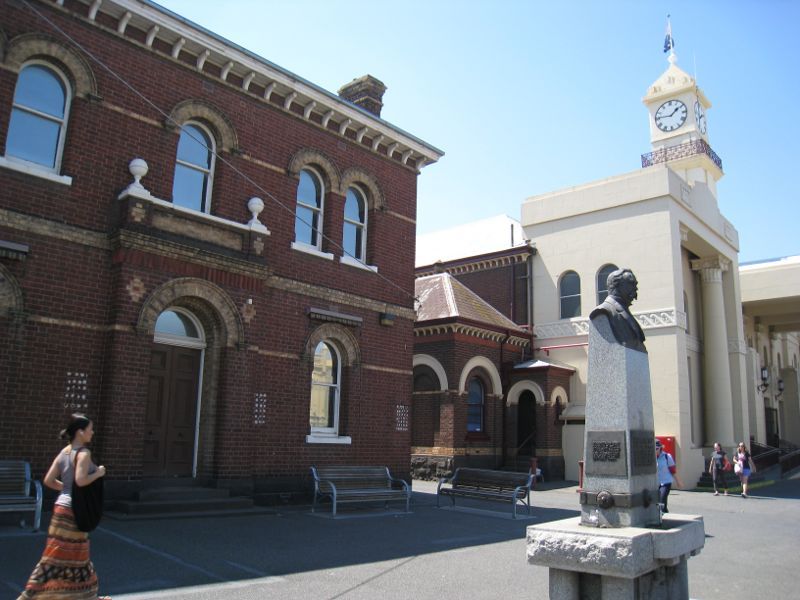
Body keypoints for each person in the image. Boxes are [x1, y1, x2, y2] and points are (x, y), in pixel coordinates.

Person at [18, 413, 110, 600]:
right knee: (75, 555)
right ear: (80, 432)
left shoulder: (64, 452)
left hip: (60, 509)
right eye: (90, 429)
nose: (92, 432)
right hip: (73, 513)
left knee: (56, 556)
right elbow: (81, 480)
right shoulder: (84, 453)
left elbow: (49, 480)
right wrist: (99, 473)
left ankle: (43, 594)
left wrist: (68, 489)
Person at [589, 268, 647, 353]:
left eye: (635, 284)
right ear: (616, 285)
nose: (636, 288)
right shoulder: (602, 312)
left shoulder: (626, 312)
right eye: (631, 283)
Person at [655, 439, 683, 513]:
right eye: (653, 449)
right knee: (661, 501)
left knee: (662, 498)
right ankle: (665, 513)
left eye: (657, 449)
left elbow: (673, 470)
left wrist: (678, 482)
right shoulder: (651, 458)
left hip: (666, 482)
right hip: (656, 483)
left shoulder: (667, 456)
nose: (655, 450)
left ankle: (661, 517)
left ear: (660, 448)